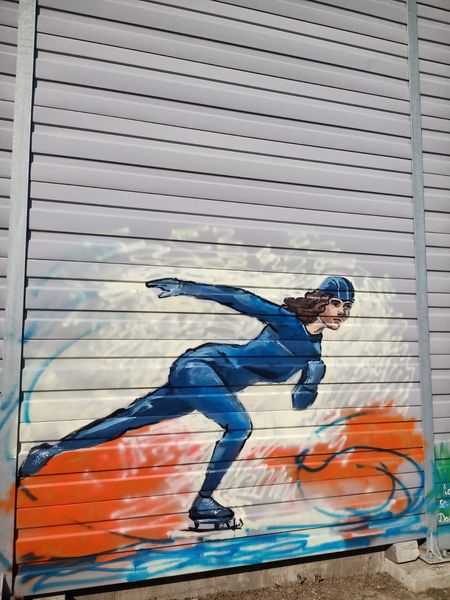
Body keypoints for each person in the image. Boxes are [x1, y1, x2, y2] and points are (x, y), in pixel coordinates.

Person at [19, 276, 355, 530]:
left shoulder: (314, 354)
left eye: (348, 307)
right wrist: (183, 287)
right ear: (320, 302)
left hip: (211, 383)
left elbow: (299, 404)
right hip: (202, 366)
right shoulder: (287, 321)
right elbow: (239, 298)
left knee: (132, 418)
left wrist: (312, 379)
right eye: (338, 303)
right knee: (239, 425)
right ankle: (204, 502)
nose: (343, 312)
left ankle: (50, 451)